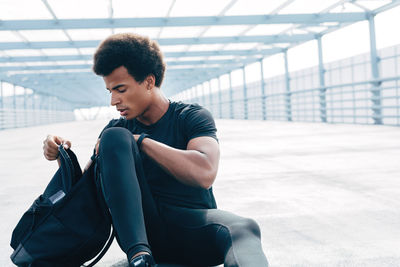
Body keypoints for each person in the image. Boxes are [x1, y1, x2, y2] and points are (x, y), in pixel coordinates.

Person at [42, 33, 269, 267]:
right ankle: (140, 257)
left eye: (120, 89)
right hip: (144, 237)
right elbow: (85, 193)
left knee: (244, 227)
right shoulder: (115, 132)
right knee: (115, 137)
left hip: (194, 231)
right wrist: (61, 155)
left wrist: (141, 142)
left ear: (149, 82)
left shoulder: (190, 117)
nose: (113, 100)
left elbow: (205, 172)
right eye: (110, 91)